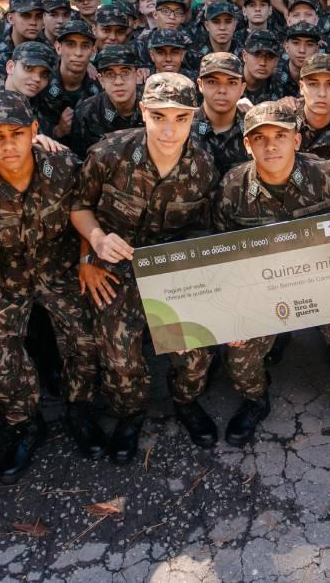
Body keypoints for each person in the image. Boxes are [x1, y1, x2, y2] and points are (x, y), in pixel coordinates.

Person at [0, 92, 106, 476]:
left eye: (16, 133)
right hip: (5, 279)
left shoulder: (65, 165)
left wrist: (87, 259)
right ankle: (24, 424)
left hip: (59, 268)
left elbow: (84, 209)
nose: (8, 144)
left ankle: (79, 409)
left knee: (85, 337)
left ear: (34, 131)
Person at [205, 100, 330, 447]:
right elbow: (220, 256)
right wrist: (228, 314)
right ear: (246, 144)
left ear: (296, 140)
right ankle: (256, 400)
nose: (271, 145)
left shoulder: (327, 176)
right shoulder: (233, 188)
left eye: (280, 135)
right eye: (260, 138)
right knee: (238, 357)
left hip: (326, 284)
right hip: (262, 291)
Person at [69, 73, 218, 461]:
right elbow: (80, 206)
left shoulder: (202, 164)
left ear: (194, 117)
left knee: (197, 348)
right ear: (142, 113)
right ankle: (129, 414)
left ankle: (185, 402)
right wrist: (93, 247)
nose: (169, 130)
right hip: (116, 268)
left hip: (172, 270)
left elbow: (207, 227)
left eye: (181, 118)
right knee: (118, 354)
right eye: (158, 117)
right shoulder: (109, 153)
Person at [70, 44, 144, 155]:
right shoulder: (86, 112)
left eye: (125, 73)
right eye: (110, 74)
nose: (118, 82)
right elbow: (81, 160)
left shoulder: (153, 106)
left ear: (138, 75)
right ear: (101, 80)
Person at [40, 20, 101, 140]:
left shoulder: (100, 85)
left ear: (93, 51)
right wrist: (58, 130)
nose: (78, 53)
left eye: (85, 46)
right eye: (70, 44)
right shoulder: (42, 83)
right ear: (58, 47)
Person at [192, 52, 250, 175]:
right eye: (213, 82)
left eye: (232, 83)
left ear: (242, 88)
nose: (222, 90)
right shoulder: (184, 126)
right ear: (200, 85)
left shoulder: (252, 128)